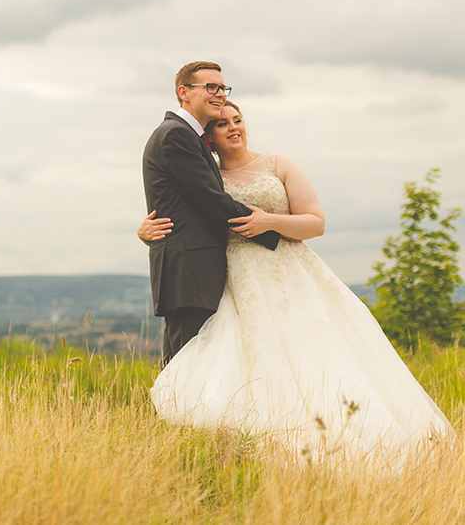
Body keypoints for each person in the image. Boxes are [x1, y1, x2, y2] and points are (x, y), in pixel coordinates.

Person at [141, 101, 453, 463]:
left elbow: (315, 222)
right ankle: (258, 448)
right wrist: (144, 230)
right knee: (254, 362)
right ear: (208, 137)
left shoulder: (278, 163)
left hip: (291, 271)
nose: (233, 128)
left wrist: (270, 222)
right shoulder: (208, 178)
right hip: (236, 280)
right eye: (222, 124)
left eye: (238, 120)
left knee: (319, 354)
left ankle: (357, 441)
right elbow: (179, 216)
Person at [141, 62, 280, 370]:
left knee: (200, 363)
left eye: (222, 88)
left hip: (196, 268)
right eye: (210, 87)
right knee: (185, 363)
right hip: (189, 269)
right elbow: (211, 200)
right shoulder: (175, 135)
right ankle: (173, 418)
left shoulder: (190, 137)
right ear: (184, 92)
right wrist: (274, 230)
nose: (219, 94)